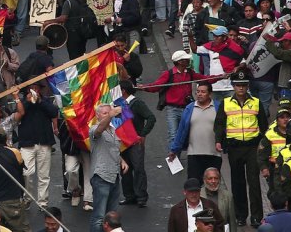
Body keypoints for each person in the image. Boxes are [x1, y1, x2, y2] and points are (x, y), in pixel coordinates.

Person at [214, 70, 267, 227]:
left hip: (252, 147)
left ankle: (257, 217)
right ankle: (240, 216)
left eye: (243, 85)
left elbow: (263, 125)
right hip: (234, 147)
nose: (241, 88)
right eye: (238, 85)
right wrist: (218, 141)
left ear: (247, 86)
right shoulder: (226, 103)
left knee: (254, 183)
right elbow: (219, 124)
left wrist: (264, 145)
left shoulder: (256, 102)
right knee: (238, 183)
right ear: (233, 86)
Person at [143, 50, 210, 146]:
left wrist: (221, 77)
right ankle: (174, 159)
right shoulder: (168, 74)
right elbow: (156, 86)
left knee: (191, 133)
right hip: (172, 110)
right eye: (186, 59)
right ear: (180, 62)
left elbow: (204, 79)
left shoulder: (190, 73)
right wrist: (144, 87)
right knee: (173, 135)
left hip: (187, 108)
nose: (188, 60)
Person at [15, 85, 57, 208]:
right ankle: (27, 197)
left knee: (44, 175)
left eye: (36, 88)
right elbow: (18, 115)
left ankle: (43, 202)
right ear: (27, 90)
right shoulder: (23, 102)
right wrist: (27, 102)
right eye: (31, 88)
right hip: (27, 142)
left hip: (44, 141)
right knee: (26, 173)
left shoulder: (46, 100)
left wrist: (40, 101)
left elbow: (54, 112)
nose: (34, 91)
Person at [169, 82, 222, 181]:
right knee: (194, 185)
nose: (199, 94)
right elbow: (181, 130)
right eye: (198, 92)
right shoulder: (189, 108)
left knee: (212, 184)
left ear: (210, 94)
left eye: (203, 92)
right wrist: (174, 149)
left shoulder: (218, 107)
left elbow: (225, 128)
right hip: (194, 154)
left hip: (214, 154)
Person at [89, 103, 127, 231]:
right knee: (99, 217)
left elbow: (112, 149)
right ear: (97, 116)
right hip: (101, 177)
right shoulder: (94, 129)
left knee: (111, 216)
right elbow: (100, 129)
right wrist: (111, 115)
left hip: (114, 176)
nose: (108, 115)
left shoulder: (113, 131)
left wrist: (122, 160)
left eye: (109, 112)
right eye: (104, 113)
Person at [119, 79, 155, 207]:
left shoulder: (137, 103)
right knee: (125, 169)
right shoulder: (119, 104)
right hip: (123, 142)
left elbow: (151, 117)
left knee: (138, 168)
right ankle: (129, 196)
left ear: (123, 91)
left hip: (135, 142)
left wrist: (142, 134)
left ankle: (141, 197)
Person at [201, 167, 238, 232]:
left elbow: (232, 221)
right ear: (204, 180)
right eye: (210, 178)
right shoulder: (198, 194)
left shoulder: (227, 196)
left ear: (220, 180)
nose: (213, 181)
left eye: (216, 178)